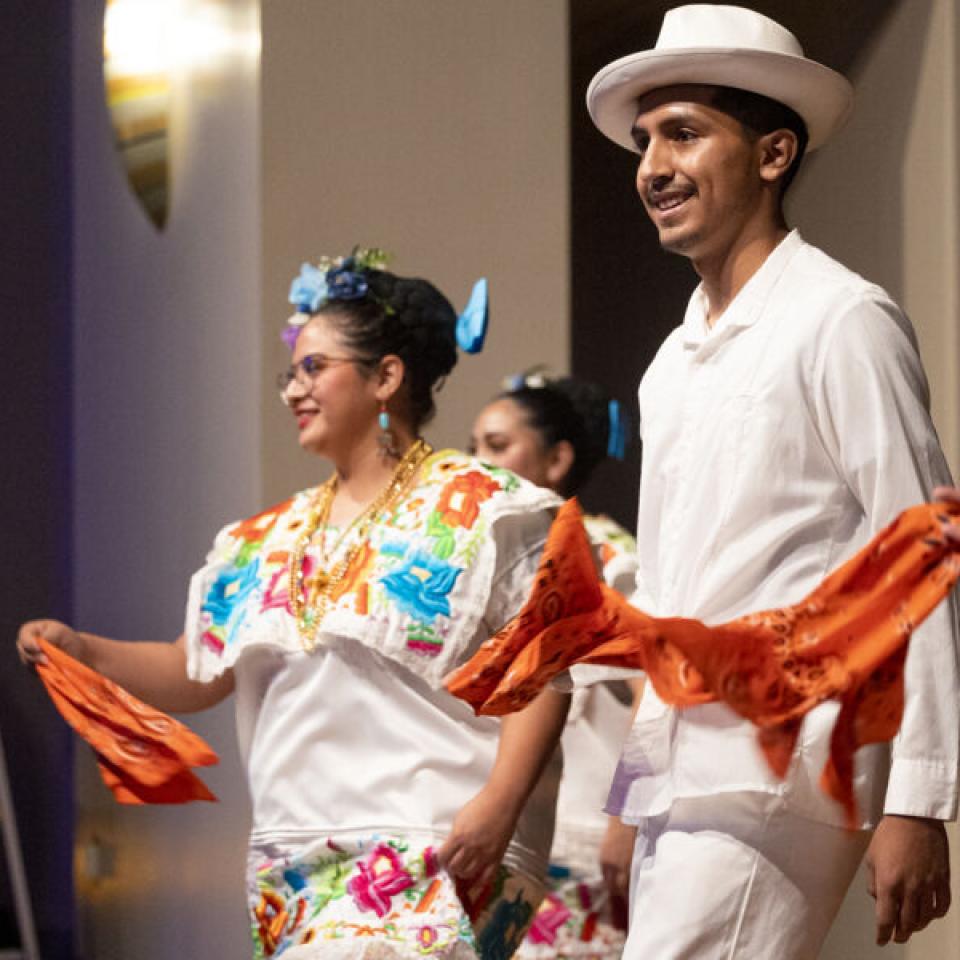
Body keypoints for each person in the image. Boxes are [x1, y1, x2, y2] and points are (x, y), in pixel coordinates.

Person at [18, 249, 571, 960]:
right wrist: (83, 651)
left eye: (314, 367)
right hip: (298, 861)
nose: (293, 390)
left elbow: (542, 668)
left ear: (386, 377)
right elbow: (196, 671)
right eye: (291, 373)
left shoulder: (487, 508)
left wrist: (500, 804)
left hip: (440, 835)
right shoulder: (261, 539)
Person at [584, 4, 958, 957]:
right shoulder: (672, 360)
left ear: (773, 154)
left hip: (780, 765)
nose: (652, 166)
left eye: (683, 133)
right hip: (683, 775)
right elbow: (667, 593)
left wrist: (919, 798)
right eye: (644, 140)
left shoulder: (840, 319)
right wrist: (630, 794)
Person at [471, 371, 640, 959]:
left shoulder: (609, 558)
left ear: (558, 459)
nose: (478, 463)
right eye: (473, 447)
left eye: (497, 446)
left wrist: (627, 817)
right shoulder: (487, 558)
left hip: (582, 841)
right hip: (503, 831)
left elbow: (657, 688)